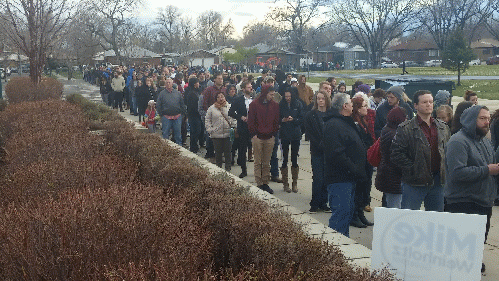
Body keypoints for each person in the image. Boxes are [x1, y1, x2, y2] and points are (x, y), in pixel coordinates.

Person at [444, 105, 498, 274]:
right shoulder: (458, 141)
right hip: (464, 201)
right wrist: (487, 170)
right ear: (470, 120)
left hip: (483, 200)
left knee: (478, 242)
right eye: (482, 118)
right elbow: (457, 173)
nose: (487, 122)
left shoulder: (484, 141)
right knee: (461, 247)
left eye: (488, 118)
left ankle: (472, 265)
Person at [391, 90, 450, 212]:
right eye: (424, 102)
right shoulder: (405, 128)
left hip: (438, 181)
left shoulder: (443, 127)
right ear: (416, 105)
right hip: (414, 182)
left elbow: (448, 151)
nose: (429, 104)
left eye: (431, 102)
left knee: (435, 219)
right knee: (409, 218)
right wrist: (414, 168)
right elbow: (396, 154)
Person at [323, 93, 367, 237]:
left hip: (350, 178)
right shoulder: (334, 125)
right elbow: (336, 154)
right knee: (340, 215)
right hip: (340, 178)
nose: (353, 105)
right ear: (345, 106)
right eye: (350, 102)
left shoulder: (346, 122)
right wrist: (354, 169)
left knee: (346, 213)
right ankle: (335, 249)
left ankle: (343, 245)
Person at [247, 84, 280, 194]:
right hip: (258, 137)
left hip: (269, 136)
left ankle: (265, 182)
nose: (272, 96)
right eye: (271, 94)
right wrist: (253, 134)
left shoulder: (274, 105)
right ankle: (259, 183)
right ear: (265, 93)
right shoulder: (254, 104)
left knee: (266, 162)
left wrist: (274, 134)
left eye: (273, 94)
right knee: (258, 161)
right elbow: (251, 120)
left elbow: (276, 120)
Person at [349, 96, 374, 228]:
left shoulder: (363, 121)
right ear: (357, 109)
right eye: (364, 106)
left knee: (364, 189)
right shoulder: (355, 123)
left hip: (366, 160)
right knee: (357, 190)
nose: (367, 108)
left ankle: (360, 214)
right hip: (359, 161)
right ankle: (354, 215)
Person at [375, 107, 407, 208]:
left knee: (389, 203)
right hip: (394, 177)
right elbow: (396, 158)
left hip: (387, 174)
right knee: (394, 206)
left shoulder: (387, 129)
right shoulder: (395, 134)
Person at [305, 92, 332, 213]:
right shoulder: (311, 115)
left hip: (329, 151)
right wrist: (320, 144)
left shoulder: (331, 114)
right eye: (318, 99)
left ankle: (323, 202)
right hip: (317, 150)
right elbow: (310, 133)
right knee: (318, 178)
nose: (320, 101)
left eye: (322, 99)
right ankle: (315, 203)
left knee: (327, 177)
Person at [279, 87, 303, 193]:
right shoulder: (281, 104)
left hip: (295, 134)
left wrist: (294, 120)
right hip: (284, 134)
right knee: (284, 158)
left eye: (289, 96)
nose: (288, 98)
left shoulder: (298, 104)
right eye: (286, 96)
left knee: (294, 158)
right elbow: (277, 118)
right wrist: (282, 120)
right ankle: (285, 183)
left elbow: (302, 119)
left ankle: (294, 183)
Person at [228, 81, 254, 178]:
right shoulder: (238, 100)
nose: (250, 89)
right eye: (248, 87)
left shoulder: (254, 99)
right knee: (242, 149)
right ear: (243, 89)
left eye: (251, 87)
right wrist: (240, 117)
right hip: (243, 127)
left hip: (253, 127)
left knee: (253, 147)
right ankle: (244, 169)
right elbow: (230, 112)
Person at [205, 92, 236, 171]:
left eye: (222, 96)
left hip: (228, 134)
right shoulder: (211, 108)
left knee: (228, 153)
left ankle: (228, 169)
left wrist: (234, 126)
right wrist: (210, 130)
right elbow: (207, 120)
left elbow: (234, 118)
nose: (220, 98)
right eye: (218, 97)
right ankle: (219, 169)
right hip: (216, 135)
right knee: (218, 154)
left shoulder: (229, 107)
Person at [157, 78, 185, 145]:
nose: (168, 84)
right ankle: (166, 149)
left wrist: (183, 114)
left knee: (178, 135)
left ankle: (179, 149)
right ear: (165, 84)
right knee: (165, 135)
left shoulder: (178, 93)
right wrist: (161, 115)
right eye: (167, 83)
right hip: (166, 117)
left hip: (177, 117)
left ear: (172, 84)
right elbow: (158, 105)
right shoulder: (162, 94)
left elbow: (182, 104)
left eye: (169, 82)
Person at [184, 77, 203, 153]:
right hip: (194, 115)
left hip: (196, 115)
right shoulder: (192, 94)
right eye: (197, 82)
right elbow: (192, 106)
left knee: (197, 131)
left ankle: (195, 146)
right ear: (194, 84)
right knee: (195, 131)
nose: (199, 84)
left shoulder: (195, 92)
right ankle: (193, 147)